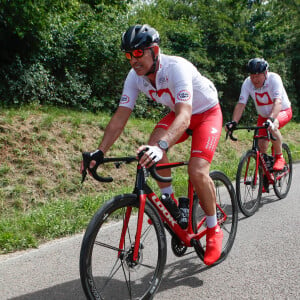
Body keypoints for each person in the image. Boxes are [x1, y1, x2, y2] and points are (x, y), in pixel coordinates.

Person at [82, 24, 223, 265]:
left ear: (154, 50)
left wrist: (163, 146)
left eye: (138, 53)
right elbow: (121, 115)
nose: (133, 60)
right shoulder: (135, 77)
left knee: (197, 170)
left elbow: (185, 115)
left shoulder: (176, 68)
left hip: (205, 113)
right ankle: (170, 202)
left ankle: (213, 229)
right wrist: (100, 151)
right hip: (179, 115)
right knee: (151, 146)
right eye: (129, 55)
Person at [226, 58, 292, 179]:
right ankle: (267, 176)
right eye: (252, 76)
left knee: (273, 126)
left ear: (265, 73)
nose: (254, 79)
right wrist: (234, 122)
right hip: (263, 116)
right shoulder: (247, 83)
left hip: (282, 111)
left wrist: (271, 119)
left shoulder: (274, 79)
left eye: (258, 76)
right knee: (261, 146)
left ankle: (279, 156)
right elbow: (241, 104)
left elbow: (277, 102)